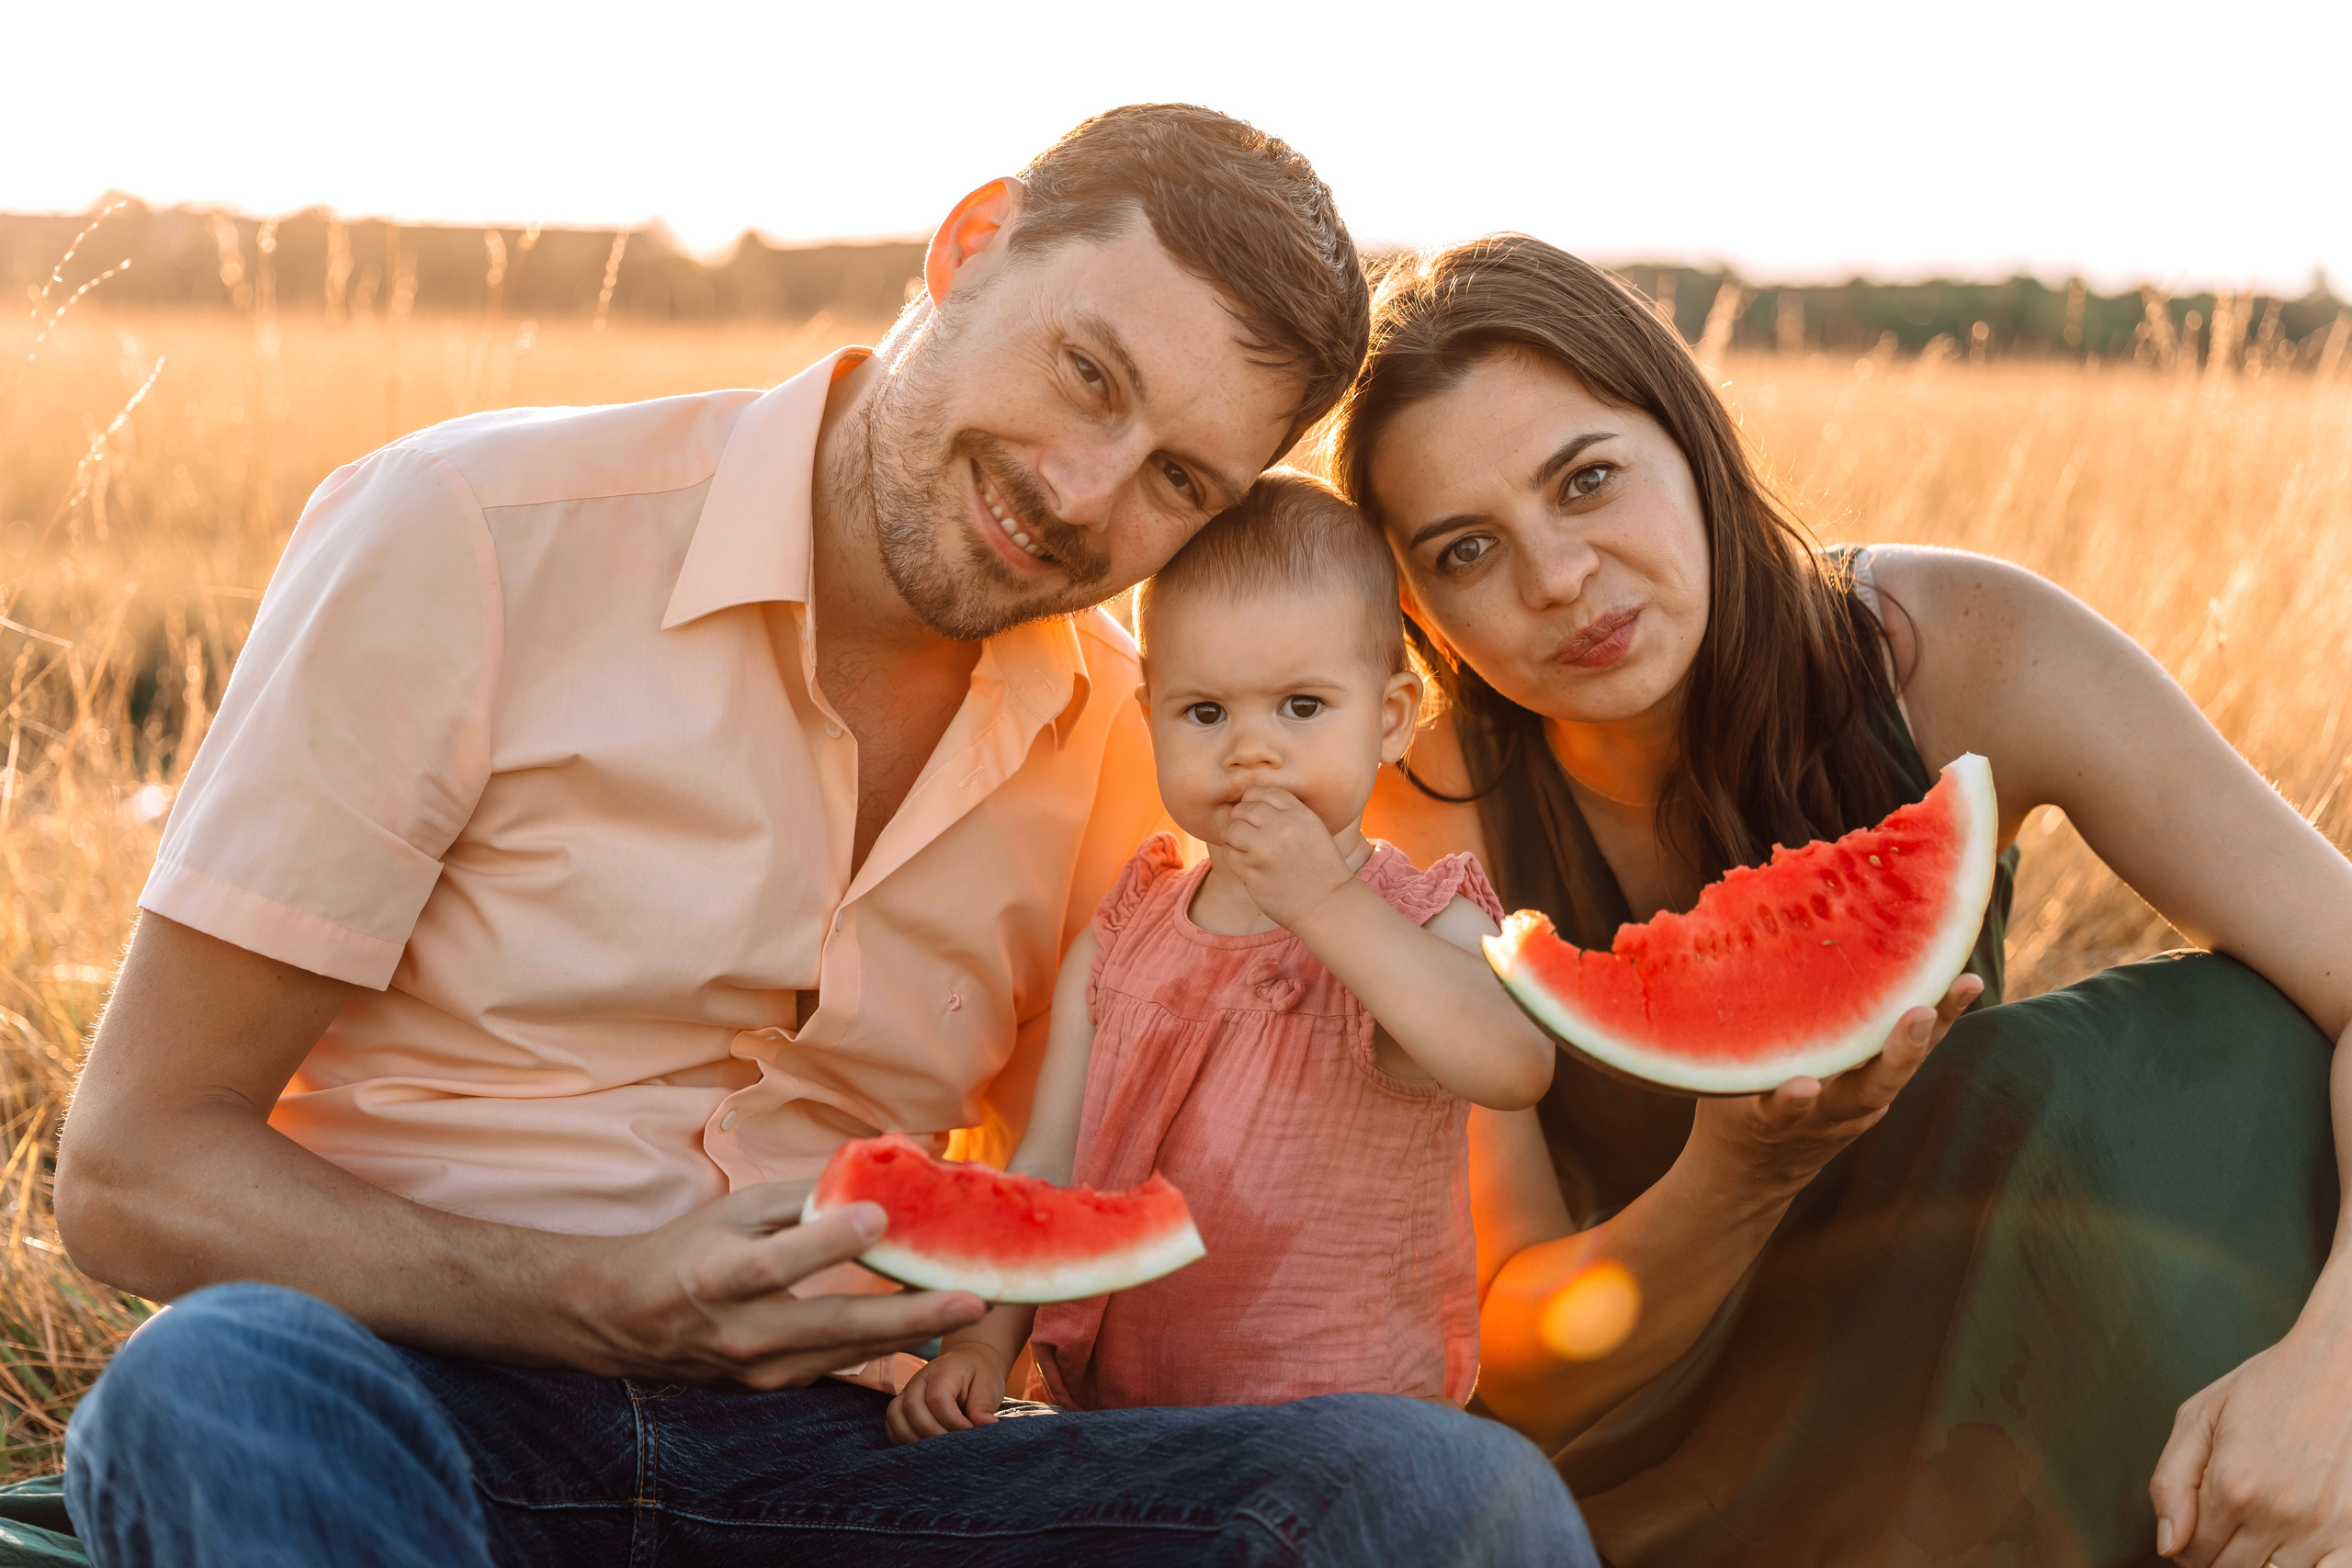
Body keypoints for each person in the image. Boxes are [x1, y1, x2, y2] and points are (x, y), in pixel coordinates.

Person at [50, 111, 1591, 1567]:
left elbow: (1106, 1162)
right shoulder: (472, 534)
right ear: (972, 244)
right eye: (1088, 377)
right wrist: (585, 1300)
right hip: (420, 1408)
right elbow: (133, 1169)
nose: (1076, 493)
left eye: (1177, 482)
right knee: (213, 1384)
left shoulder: (1143, 741)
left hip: (860, 1473)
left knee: (1444, 1494)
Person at [1339, 234, 2352, 1568]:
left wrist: (2331, 1378)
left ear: (1692, 441)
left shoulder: (1964, 648)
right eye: (1470, 550)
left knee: (2197, 1042)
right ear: (1418, 605)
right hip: (1679, 1423)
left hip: (1997, 1336)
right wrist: (1735, 1176)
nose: (1558, 578)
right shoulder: (1427, 823)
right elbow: (1522, 1355)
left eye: (1588, 480)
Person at [886, 472, 1558, 1443]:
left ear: (1389, 716)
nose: (1251, 750)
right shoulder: (1122, 937)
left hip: (1347, 1427)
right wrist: (986, 1347)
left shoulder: (1418, 916)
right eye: (1206, 714)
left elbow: (1514, 1064)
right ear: (1152, 713)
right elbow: (1046, 1163)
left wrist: (1322, 901)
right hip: (1118, 1423)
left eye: (1299, 707)